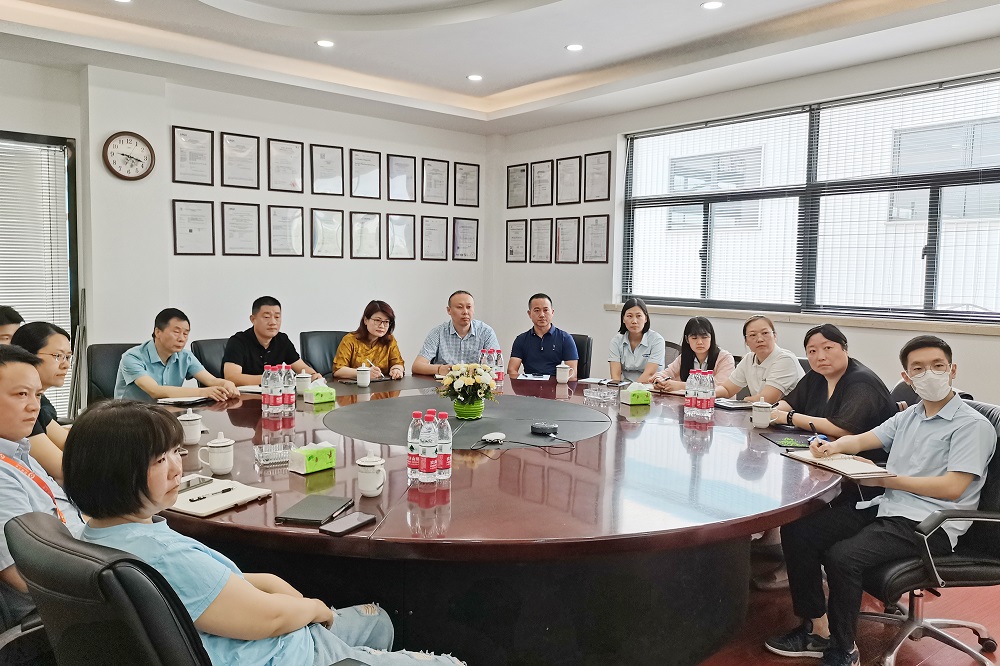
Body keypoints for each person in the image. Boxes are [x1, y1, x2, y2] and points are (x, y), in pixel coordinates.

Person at [62, 401, 464, 666]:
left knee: (380, 623)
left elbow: (208, 592)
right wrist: (316, 609)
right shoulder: (164, 555)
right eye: (159, 460)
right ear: (115, 473)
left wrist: (274, 585)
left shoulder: (95, 534)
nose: (177, 468)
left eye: (175, 453)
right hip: (288, 654)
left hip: (261, 639)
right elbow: (269, 619)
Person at [764, 335, 995, 666]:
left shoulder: (972, 426)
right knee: (800, 531)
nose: (929, 373)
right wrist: (832, 447)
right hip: (888, 507)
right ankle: (817, 627)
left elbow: (953, 488)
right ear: (906, 377)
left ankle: (843, 649)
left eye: (937, 366)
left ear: (952, 370)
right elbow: (864, 439)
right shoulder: (911, 415)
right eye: (918, 368)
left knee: (843, 557)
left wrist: (884, 479)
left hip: (930, 524)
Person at [0, 344, 85, 633]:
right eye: (21, 394)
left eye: (37, 395)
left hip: (84, 562)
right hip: (65, 609)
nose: (34, 406)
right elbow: (23, 577)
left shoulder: (19, 452)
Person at [771, 324, 896, 439]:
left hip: (861, 453)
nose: (821, 357)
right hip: (822, 446)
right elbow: (790, 403)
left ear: (845, 349)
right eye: (812, 351)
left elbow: (843, 429)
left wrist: (789, 418)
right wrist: (769, 411)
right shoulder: (817, 374)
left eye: (828, 348)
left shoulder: (862, 383)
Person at [115, 308, 239, 401]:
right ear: (157, 332)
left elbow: (211, 380)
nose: (182, 339)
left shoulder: (185, 356)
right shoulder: (132, 357)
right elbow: (155, 391)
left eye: (185, 334)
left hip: (167, 414)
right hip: (130, 418)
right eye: (176, 332)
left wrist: (226, 384)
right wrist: (203, 392)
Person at [10, 322, 73, 480]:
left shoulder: (40, 400)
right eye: (58, 356)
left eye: (68, 357)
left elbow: (69, 443)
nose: (66, 365)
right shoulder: (20, 407)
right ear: (28, 355)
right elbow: (62, 468)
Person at [222, 296, 322, 387]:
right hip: (243, 398)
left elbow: (301, 368)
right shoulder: (238, 341)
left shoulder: (282, 340)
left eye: (277, 317)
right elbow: (232, 377)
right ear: (253, 319)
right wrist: (274, 379)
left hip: (275, 395)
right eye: (266, 317)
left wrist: (313, 375)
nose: (273, 322)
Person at [715, 315, 804, 403]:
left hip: (787, 412)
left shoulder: (786, 360)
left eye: (765, 333)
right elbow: (727, 389)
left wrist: (745, 400)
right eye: (753, 335)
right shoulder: (749, 359)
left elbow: (767, 400)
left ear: (774, 336)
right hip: (761, 411)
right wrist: (710, 393)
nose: (760, 339)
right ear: (746, 341)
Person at [412, 291, 500, 376]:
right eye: (459, 307)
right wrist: (439, 369)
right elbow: (417, 366)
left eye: (469, 307)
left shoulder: (486, 332)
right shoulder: (438, 333)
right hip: (443, 384)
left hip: (476, 384)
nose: (465, 312)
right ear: (449, 310)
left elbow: (496, 366)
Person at [651, 316, 735, 392]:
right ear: (687, 339)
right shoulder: (684, 357)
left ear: (711, 338)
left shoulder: (725, 358)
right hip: (688, 402)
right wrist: (659, 380)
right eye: (694, 338)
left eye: (704, 337)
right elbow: (665, 373)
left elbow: (720, 386)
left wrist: (681, 386)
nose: (699, 342)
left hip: (717, 403)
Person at [507, 293, 578, 378]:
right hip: (529, 384)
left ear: (552, 312)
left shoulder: (565, 338)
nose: (542, 315)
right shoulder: (521, 339)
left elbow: (572, 373)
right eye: (537, 310)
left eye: (545, 310)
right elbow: (512, 370)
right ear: (529, 314)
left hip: (556, 384)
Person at [333, 301, 405, 380]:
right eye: (377, 320)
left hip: (383, 385)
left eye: (386, 322)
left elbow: (398, 363)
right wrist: (363, 372)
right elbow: (338, 370)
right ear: (365, 320)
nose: (382, 326)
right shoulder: (350, 340)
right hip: (357, 386)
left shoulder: (390, 340)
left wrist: (397, 370)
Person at [607, 298, 665, 383]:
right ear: (623, 319)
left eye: (639, 316)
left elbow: (649, 374)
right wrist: (618, 389)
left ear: (646, 318)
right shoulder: (616, 341)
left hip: (650, 386)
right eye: (629, 316)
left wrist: (632, 390)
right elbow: (615, 376)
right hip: (625, 386)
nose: (634, 321)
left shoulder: (657, 340)